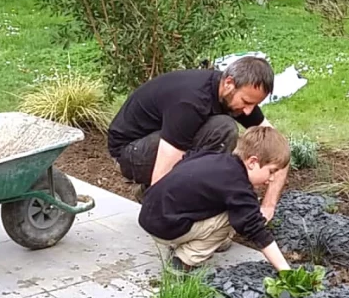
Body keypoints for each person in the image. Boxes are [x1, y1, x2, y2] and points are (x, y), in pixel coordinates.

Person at [107, 56, 287, 221]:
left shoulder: (234, 94)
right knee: (223, 128)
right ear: (229, 83)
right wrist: (162, 216)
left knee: (220, 129)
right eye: (246, 102)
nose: (249, 111)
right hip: (130, 152)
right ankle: (178, 203)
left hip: (156, 142)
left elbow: (279, 149)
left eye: (254, 104)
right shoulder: (191, 101)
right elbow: (165, 162)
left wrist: (268, 206)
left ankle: (171, 196)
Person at [138, 126, 292, 273]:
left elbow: (185, 160)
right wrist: (284, 269)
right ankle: (183, 260)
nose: (272, 179)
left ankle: (199, 239)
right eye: (271, 171)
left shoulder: (214, 158)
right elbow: (255, 228)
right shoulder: (238, 186)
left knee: (230, 208)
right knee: (232, 219)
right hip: (164, 227)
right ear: (252, 162)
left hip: (149, 213)